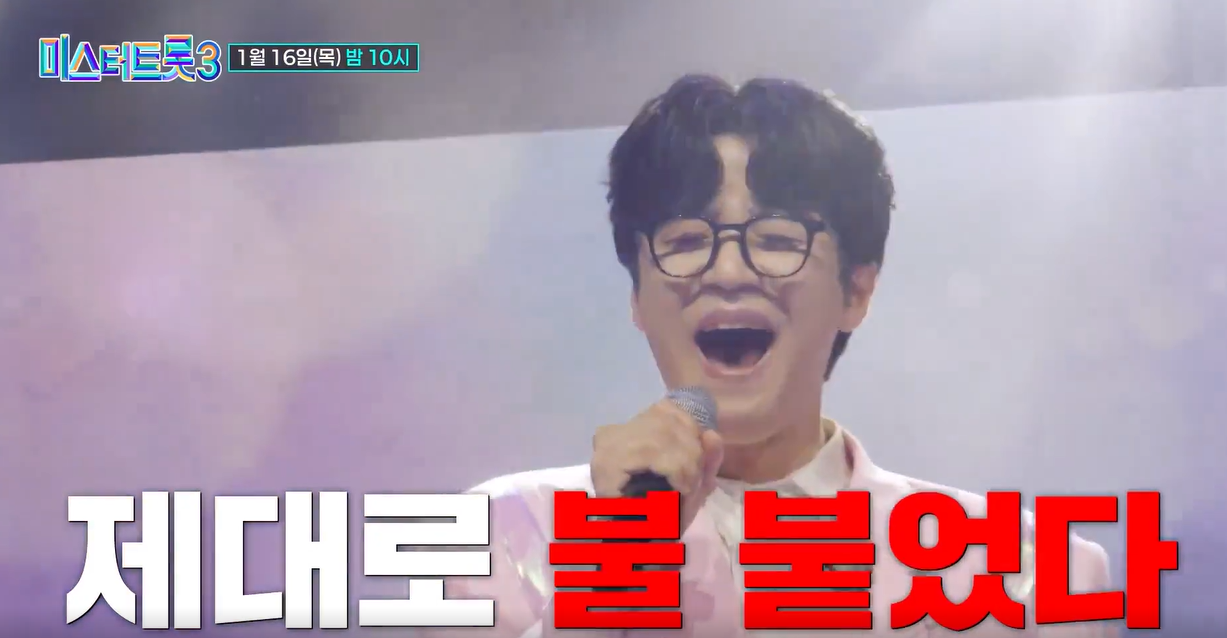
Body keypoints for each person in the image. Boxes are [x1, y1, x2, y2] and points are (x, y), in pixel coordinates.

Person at [456, 75, 1114, 637]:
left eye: (777, 237)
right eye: (685, 240)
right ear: (637, 297)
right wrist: (616, 562)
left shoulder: (1025, 573)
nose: (727, 271)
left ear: (856, 291)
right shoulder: (507, 534)